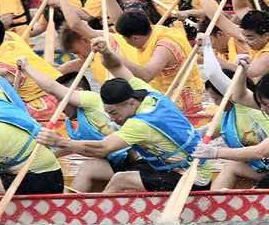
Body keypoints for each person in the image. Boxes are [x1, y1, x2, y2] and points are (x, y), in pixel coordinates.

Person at [40, 76, 198, 193]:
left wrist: (60, 142)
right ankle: (72, 208)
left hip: (190, 175)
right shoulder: (150, 95)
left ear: (130, 102)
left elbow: (103, 148)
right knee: (90, 167)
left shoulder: (138, 124)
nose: (112, 119)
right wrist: (106, 51)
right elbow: (117, 65)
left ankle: (96, 216)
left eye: (114, 113)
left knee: (121, 179)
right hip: (165, 167)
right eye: (108, 113)